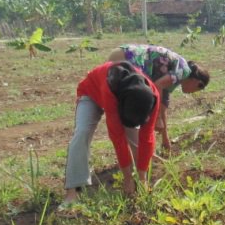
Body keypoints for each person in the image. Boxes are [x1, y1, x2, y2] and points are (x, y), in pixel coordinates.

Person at [63, 61, 160, 205]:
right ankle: (72, 193)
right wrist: (127, 178)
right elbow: (118, 138)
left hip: (127, 104)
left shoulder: (153, 96)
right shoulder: (110, 88)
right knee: (82, 133)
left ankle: (141, 181)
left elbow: (147, 137)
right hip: (91, 93)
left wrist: (142, 179)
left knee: (139, 145)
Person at [107, 45, 209, 154]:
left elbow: (162, 106)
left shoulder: (174, 74)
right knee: (134, 108)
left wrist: (165, 138)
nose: (192, 93)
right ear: (198, 83)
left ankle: (138, 152)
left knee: (130, 109)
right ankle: (138, 154)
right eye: (197, 89)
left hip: (120, 54)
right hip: (127, 58)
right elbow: (158, 86)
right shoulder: (183, 71)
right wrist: (157, 118)